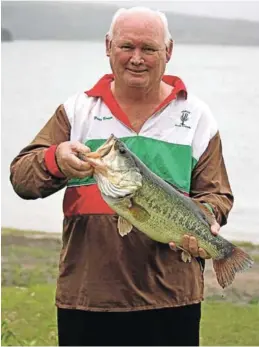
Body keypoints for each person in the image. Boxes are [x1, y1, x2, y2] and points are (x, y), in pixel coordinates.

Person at [10, 6, 234, 347]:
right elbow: (21, 178)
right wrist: (56, 161)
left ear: (168, 52)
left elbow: (217, 195)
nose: (137, 58)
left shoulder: (197, 116)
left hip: (172, 299)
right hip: (87, 296)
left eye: (149, 49)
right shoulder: (77, 110)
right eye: (126, 46)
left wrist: (207, 219)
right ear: (108, 46)